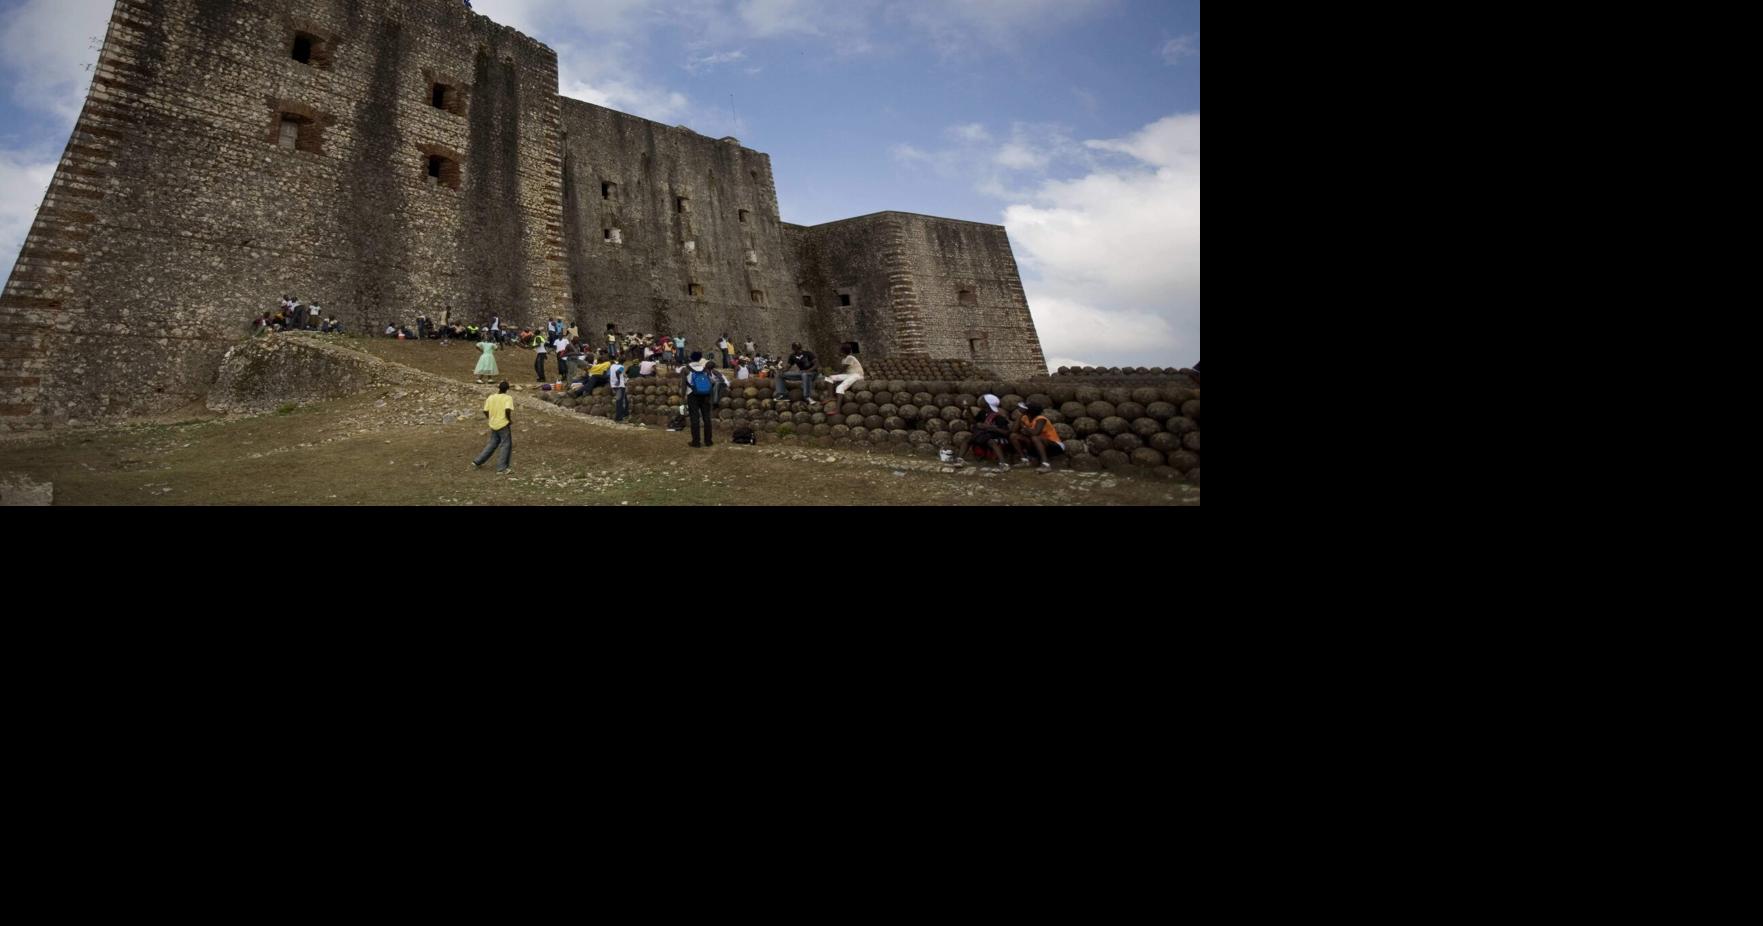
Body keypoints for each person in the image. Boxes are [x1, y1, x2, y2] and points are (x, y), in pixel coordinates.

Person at [471, 381, 514, 474]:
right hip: (503, 424)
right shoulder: (508, 398)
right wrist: (509, 419)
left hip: (493, 424)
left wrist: (490, 418)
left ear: (498, 387)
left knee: (492, 444)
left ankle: (477, 461)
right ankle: (502, 468)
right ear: (507, 389)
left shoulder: (491, 397)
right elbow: (507, 409)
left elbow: (485, 410)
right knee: (505, 445)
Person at [1010, 402, 1066, 473]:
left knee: (1035, 437)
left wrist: (1024, 426)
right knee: (1013, 436)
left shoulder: (1041, 419)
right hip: (1037, 446)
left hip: (1055, 446)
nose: (1021, 409)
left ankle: (1046, 464)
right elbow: (1013, 430)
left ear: (1030, 411)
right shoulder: (1025, 417)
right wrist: (1020, 416)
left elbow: (1035, 433)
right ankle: (1025, 460)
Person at [962, 394, 1014, 470]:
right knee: (968, 438)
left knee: (991, 442)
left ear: (987, 404)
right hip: (984, 435)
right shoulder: (982, 413)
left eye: (984, 401)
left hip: (997, 436)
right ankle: (960, 459)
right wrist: (968, 409)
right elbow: (974, 422)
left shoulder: (999, 417)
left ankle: (1003, 463)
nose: (981, 402)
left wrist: (991, 428)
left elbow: (1006, 432)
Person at [681, 351, 717, 448]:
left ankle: (696, 442)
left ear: (691, 358)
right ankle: (708, 441)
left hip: (692, 395)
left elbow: (683, 385)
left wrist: (682, 397)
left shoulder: (685, 369)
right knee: (706, 418)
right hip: (705, 395)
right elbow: (711, 383)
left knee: (695, 418)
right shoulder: (705, 369)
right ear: (700, 358)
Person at [609, 355, 629, 423]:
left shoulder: (612, 366)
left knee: (625, 400)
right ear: (624, 362)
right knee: (619, 402)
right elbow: (617, 372)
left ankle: (625, 414)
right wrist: (619, 380)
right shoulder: (622, 367)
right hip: (619, 386)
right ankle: (618, 418)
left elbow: (612, 374)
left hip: (614, 385)